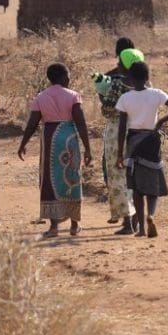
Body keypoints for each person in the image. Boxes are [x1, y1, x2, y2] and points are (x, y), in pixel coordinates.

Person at [18, 63, 93, 238]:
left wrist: (23, 143)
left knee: (49, 178)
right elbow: (80, 122)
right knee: (72, 176)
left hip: (50, 138)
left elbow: (32, 122)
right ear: (63, 77)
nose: (69, 79)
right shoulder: (74, 96)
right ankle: (74, 225)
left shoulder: (41, 97)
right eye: (67, 75)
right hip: (69, 137)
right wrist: (88, 148)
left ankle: (53, 227)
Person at [116, 62, 168, 238]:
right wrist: (160, 122)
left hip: (133, 142)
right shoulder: (156, 94)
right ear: (147, 78)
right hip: (152, 141)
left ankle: (142, 230)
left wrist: (119, 154)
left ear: (130, 79)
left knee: (136, 187)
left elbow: (122, 128)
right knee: (153, 182)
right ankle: (150, 216)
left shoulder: (125, 98)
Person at [94, 40, 144, 235]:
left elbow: (107, 110)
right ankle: (138, 219)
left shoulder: (115, 83)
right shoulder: (145, 84)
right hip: (140, 131)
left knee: (118, 174)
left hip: (117, 132)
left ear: (122, 62)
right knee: (135, 175)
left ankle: (127, 222)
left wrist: (103, 96)